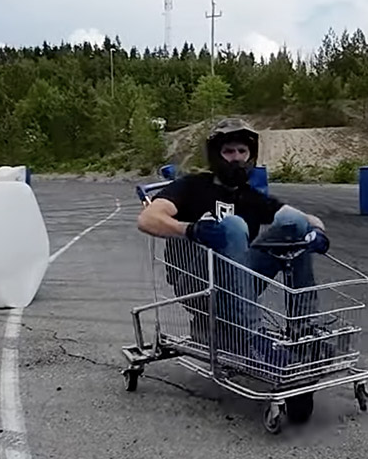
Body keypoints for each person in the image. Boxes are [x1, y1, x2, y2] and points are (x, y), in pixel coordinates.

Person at [137, 118, 331, 349]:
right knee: (233, 226)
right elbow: (147, 219)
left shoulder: (249, 197)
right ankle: (250, 338)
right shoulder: (193, 186)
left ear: (251, 156)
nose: (237, 157)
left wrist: (315, 232)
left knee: (296, 225)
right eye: (229, 151)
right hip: (197, 283)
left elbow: (303, 219)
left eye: (242, 151)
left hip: (239, 284)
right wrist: (191, 229)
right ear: (216, 155)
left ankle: (303, 329)